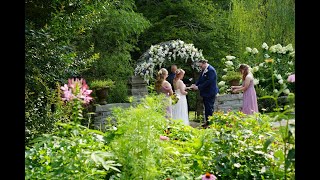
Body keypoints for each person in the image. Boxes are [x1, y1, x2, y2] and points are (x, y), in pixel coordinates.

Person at [190, 59, 219, 127]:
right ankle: (207, 122)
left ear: (204, 63)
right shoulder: (204, 70)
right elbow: (200, 79)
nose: (200, 67)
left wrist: (198, 87)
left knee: (209, 108)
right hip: (206, 93)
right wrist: (195, 85)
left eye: (200, 66)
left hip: (210, 92)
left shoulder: (211, 70)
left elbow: (208, 82)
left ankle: (210, 123)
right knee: (206, 107)